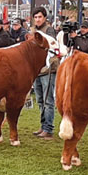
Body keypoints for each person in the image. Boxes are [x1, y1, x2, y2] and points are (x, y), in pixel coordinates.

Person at [30, 7, 58, 140]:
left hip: (48, 69)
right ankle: (43, 125)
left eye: (39, 17)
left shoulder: (49, 30)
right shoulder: (34, 31)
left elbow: (51, 48)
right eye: (35, 17)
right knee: (40, 100)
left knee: (48, 100)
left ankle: (48, 128)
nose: (37, 19)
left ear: (45, 18)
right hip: (38, 70)